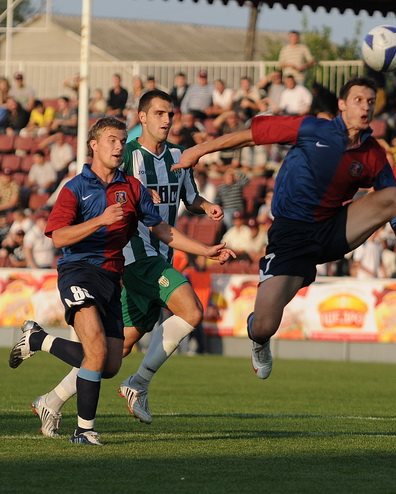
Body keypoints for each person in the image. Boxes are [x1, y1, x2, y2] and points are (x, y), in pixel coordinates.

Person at [173, 77, 396, 381]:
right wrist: (198, 150)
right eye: (358, 100)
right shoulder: (312, 128)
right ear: (342, 104)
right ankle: (259, 338)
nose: (365, 107)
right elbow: (251, 136)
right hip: (291, 236)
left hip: (332, 230)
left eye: (370, 102)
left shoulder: (373, 154)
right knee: (265, 324)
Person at [8, 117, 233, 445]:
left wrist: (206, 250)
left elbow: (162, 229)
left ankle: (39, 341)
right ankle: (84, 430)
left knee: (110, 363)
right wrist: (100, 220)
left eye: (121, 141)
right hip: (79, 273)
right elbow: (58, 236)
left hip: (112, 278)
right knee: (96, 349)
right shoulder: (75, 188)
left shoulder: (132, 187)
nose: (118, 147)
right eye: (111, 141)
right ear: (94, 145)